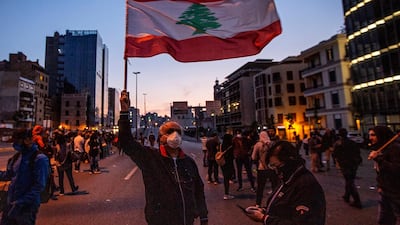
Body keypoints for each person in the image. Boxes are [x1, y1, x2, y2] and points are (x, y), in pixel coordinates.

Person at [118, 90, 208, 225]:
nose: (175, 136)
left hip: (187, 220)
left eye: (178, 132)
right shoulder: (151, 158)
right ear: (161, 137)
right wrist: (124, 113)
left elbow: (198, 190)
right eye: (170, 132)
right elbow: (126, 142)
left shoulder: (188, 162)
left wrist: (203, 217)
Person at [245, 141, 326, 225]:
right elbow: (284, 207)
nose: (275, 171)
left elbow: (301, 221)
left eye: (277, 166)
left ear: (289, 161)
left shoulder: (305, 185)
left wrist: (265, 218)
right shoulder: (288, 178)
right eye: (272, 166)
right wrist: (264, 210)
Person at [0, 129, 50, 225]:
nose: (14, 144)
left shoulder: (39, 159)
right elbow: (9, 175)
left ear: (27, 140)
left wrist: (21, 202)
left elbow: (39, 186)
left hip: (26, 208)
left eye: (17, 141)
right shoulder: (16, 157)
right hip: (11, 205)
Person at [368, 126, 400, 225]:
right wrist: (380, 186)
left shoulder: (395, 148)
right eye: (369, 135)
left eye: (373, 135)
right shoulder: (382, 148)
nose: (370, 138)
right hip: (385, 191)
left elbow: (396, 169)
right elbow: (381, 172)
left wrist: (379, 159)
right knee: (384, 221)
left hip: (396, 192)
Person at [332, 128, 362, 209]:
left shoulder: (339, 144)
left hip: (345, 164)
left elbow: (334, 154)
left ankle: (357, 200)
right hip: (353, 164)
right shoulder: (352, 142)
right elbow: (357, 152)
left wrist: (337, 160)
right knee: (349, 180)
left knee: (349, 181)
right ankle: (347, 195)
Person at [251, 131, 276, 207]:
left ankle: (258, 204)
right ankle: (275, 202)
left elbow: (253, 157)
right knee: (275, 186)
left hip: (262, 168)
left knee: (260, 187)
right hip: (272, 168)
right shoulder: (272, 144)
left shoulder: (258, 145)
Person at [220, 131, 235, 200]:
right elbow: (231, 156)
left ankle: (226, 193)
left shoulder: (222, 145)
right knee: (227, 178)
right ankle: (226, 194)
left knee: (225, 178)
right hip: (228, 163)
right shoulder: (230, 146)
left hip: (223, 163)